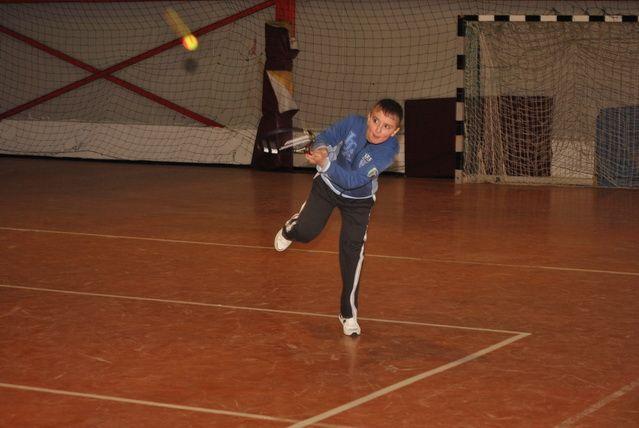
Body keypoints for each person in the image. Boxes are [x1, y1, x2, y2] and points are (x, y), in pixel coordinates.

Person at [274, 98, 403, 336]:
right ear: (368, 116)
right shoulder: (352, 123)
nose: (377, 129)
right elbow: (327, 136)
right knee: (306, 232)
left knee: (353, 254)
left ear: (395, 131)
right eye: (376, 120)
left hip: (359, 201)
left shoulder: (388, 151)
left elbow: (354, 181)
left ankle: (348, 313)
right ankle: (292, 227)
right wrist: (323, 148)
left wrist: (325, 164)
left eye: (386, 126)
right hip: (326, 187)